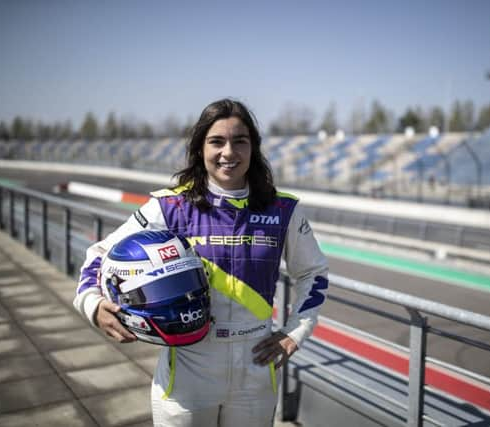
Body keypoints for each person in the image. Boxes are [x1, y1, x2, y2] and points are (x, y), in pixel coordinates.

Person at [73, 98, 329, 426]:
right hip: (189, 367)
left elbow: (313, 272)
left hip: (257, 364)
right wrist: (91, 305)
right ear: (199, 149)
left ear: (254, 149)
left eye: (240, 141)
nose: (228, 152)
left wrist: (296, 332)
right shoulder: (170, 206)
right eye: (216, 141)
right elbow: (99, 255)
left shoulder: (283, 210)